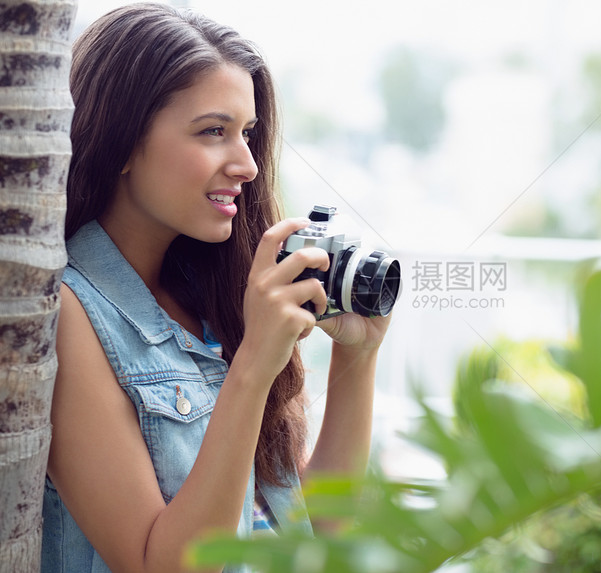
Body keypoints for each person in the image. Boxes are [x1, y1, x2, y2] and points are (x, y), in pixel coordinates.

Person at [41, 3, 391, 572]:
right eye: (213, 132)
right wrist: (255, 361)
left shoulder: (218, 299)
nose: (248, 164)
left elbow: (312, 531)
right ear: (124, 141)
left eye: (248, 133)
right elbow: (163, 565)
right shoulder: (67, 313)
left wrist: (360, 354)